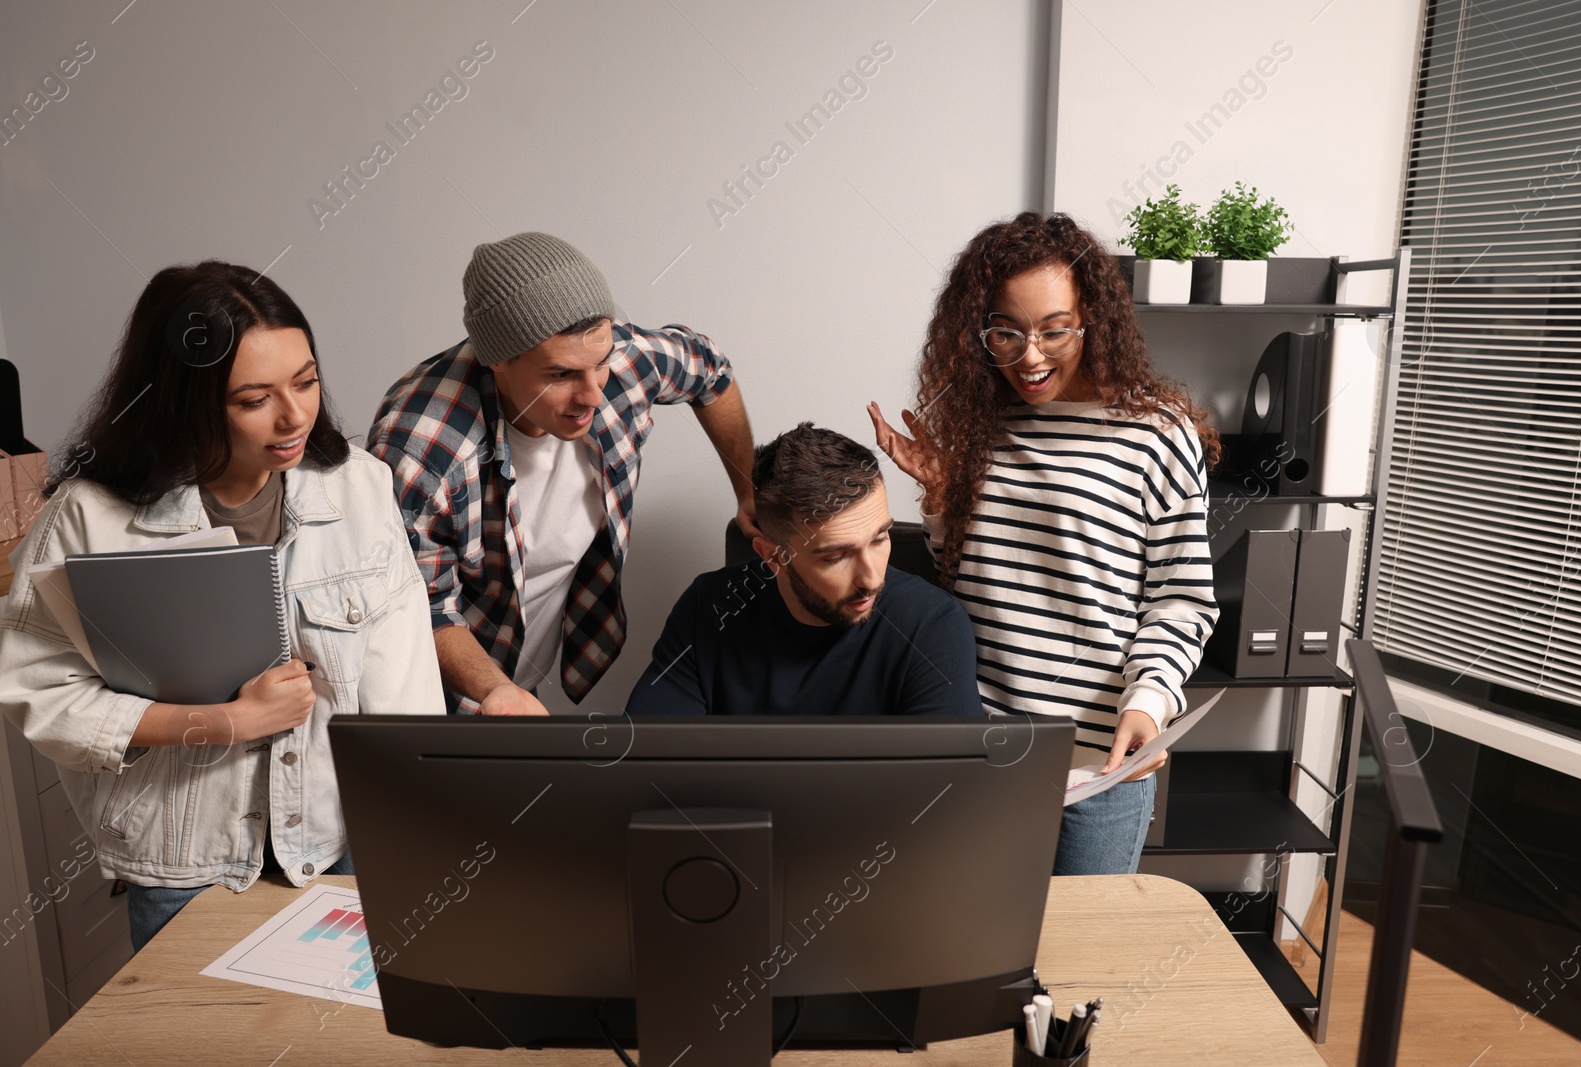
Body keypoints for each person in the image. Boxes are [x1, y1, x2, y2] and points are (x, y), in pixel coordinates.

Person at [0, 261, 444, 950]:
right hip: (183, 865)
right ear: (185, 399)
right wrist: (223, 721)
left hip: (340, 847)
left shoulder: (359, 488)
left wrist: (416, 843)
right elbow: (37, 691)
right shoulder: (89, 516)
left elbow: (406, 693)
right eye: (254, 398)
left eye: (305, 380)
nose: (296, 414)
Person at [868, 211, 1219, 875]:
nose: (1029, 356)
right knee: (977, 959)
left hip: (1099, 765)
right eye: (1006, 331)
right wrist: (944, 502)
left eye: (1054, 330)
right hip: (984, 754)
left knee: (1080, 964)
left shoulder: (1156, 433)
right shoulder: (981, 422)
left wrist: (1151, 699)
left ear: (1093, 319)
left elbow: (1182, 599)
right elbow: (969, 586)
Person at [368, 233, 757, 716]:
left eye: (601, 362)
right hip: (440, 690)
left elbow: (710, 372)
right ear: (496, 361)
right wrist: (495, 690)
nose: (594, 394)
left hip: (523, 672)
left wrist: (749, 489)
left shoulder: (621, 359)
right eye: (561, 375)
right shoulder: (421, 448)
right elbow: (420, 609)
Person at [626, 423, 981, 718]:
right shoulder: (710, 608)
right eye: (835, 557)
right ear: (773, 557)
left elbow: (949, 790)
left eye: (879, 539)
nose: (871, 579)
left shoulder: (932, 625)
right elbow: (647, 758)